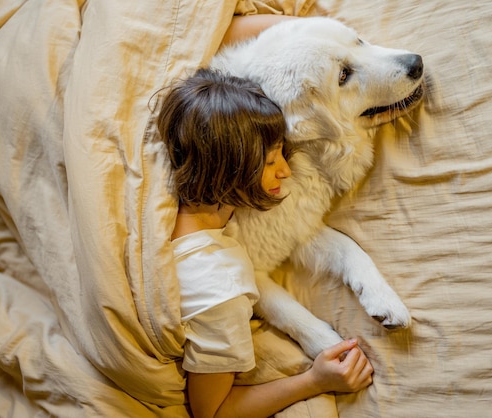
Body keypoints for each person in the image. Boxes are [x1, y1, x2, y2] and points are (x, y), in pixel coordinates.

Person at [157, 68, 374, 418]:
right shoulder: (221, 287)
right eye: (270, 161)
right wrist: (315, 381)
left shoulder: (184, 149)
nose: (286, 171)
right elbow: (212, 411)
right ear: (226, 171)